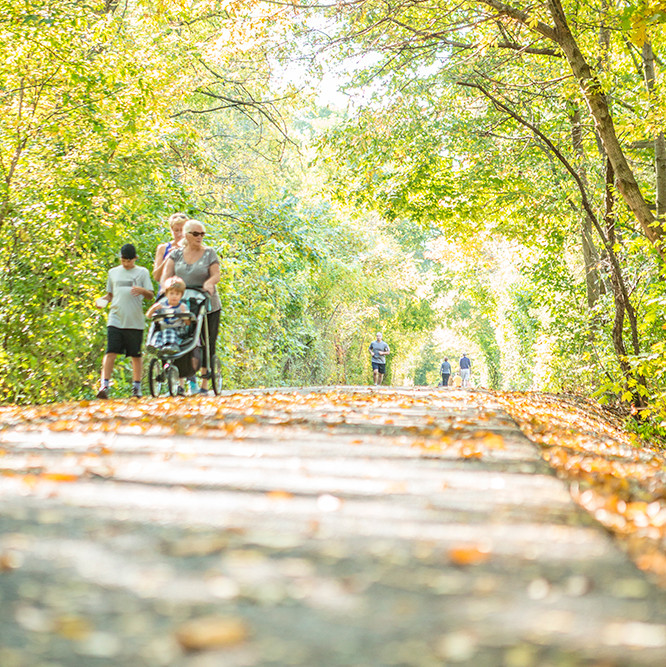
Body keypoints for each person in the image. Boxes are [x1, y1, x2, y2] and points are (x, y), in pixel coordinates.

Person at [163, 220, 221, 395]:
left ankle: (204, 384)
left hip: (206, 302)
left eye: (202, 234)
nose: (200, 237)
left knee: (206, 341)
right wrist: (168, 291)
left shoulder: (209, 253)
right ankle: (179, 384)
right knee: (180, 338)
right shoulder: (176, 255)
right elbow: (166, 276)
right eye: (196, 234)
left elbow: (216, 275)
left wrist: (209, 283)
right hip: (183, 303)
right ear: (186, 235)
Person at [95, 244, 154, 399]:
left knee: (135, 354)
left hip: (134, 320)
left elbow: (150, 295)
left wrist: (142, 291)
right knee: (111, 351)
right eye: (123, 260)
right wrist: (102, 300)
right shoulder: (113, 273)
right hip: (115, 317)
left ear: (135, 259)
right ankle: (104, 385)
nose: (125, 263)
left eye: (128, 260)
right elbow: (110, 294)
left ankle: (136, 387)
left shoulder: (142, 272)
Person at [146, 276, 191, 354]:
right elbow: (148, 316)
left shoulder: (182, 307)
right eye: (171, 293)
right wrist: (153, 309)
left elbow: (188, 323)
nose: (174, 296)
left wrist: (184, 314)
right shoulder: (161, 305)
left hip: (178, 331)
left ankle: (171, 345)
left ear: (181, 295)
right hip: (163, 329)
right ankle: (155, 346)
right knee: (158, 334)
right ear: (166, 294)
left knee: (168, 331)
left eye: (177, 294)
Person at [153, 213, 188, 284]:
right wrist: (168, 257)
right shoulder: (163, 248)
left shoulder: (192, 248)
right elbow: (156, 276)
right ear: (172, 230)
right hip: (166, 290)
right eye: (176, 230)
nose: (179, 234)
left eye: (182, 230)